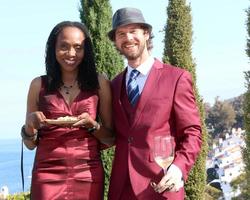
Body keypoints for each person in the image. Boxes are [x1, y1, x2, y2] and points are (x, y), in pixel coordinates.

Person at [107, 7, 202, 200]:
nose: (128, 38)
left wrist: (179, 168)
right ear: (115, 41)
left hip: (162, 186)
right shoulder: (113, 85)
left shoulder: (176, 78)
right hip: (121, 189)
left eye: (133, 31)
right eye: (121, 34)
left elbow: (192, 132)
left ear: (146, 34)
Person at [21, 21, 114, 200]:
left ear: (85, 51)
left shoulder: (100, 83)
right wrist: (30, 125)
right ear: (53, 48)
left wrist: (93, 125)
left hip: (88, 173)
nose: (71, 53)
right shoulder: (37, 85)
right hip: (47, 173)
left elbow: (110, 138)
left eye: (78, 47)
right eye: (64, 46)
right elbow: (30, 144)